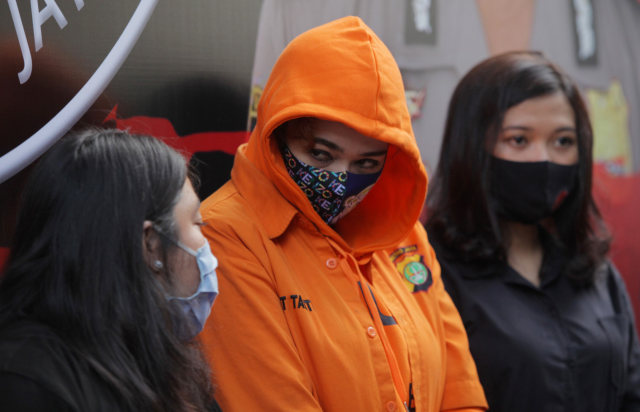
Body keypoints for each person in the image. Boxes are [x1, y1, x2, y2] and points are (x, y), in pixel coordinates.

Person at [198, 16, 487, 412]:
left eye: (367, 163)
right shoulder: (226, 238)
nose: (340, 181)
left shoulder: (404, 235)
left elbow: (461, 393)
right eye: (321, 154)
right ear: (276, 131)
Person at [425, 51, 640, 411]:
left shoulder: (597, 273)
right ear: (471, 146)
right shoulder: (429, 273)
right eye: (519, 140)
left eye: (563, 142)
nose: (544, 160)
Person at [0, 129, 221, 411]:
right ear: (149, 243)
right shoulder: (26, 385)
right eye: (197, 224)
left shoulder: (164, 360)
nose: (207, 246)